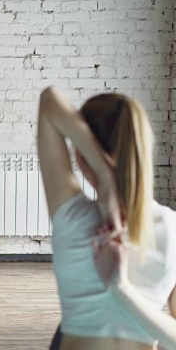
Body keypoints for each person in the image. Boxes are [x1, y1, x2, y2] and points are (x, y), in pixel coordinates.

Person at [38, 86, 176, 350]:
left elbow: (50, 100)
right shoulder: (172, 229)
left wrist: (104, 174)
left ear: (82, 155)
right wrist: (123, 290)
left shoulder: (73, 218)